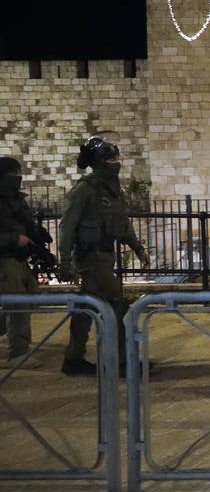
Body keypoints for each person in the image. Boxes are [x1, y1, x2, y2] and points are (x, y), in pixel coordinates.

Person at [59, 137, 150, 376]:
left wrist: (138, 249)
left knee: (84, 308)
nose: (116, 163)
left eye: (117, 158)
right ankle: (121, 362)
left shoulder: (113, 189)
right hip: (91, 257)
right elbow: (67, 226)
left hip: (105, 254)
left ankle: (73, 357)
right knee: (116, 306)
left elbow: (122, 222)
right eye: (110, 159)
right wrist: (65, 261)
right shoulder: (84, 190)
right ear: (98, 162)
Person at [0, 157, 42, 369]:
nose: (18, 177)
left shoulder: (16, 199)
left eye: (19, 172)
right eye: (13, 173)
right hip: (5, 259)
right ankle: (18, 353)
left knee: (30, 298)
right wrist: (14, 239)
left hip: (18, 258)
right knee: (17, 305)